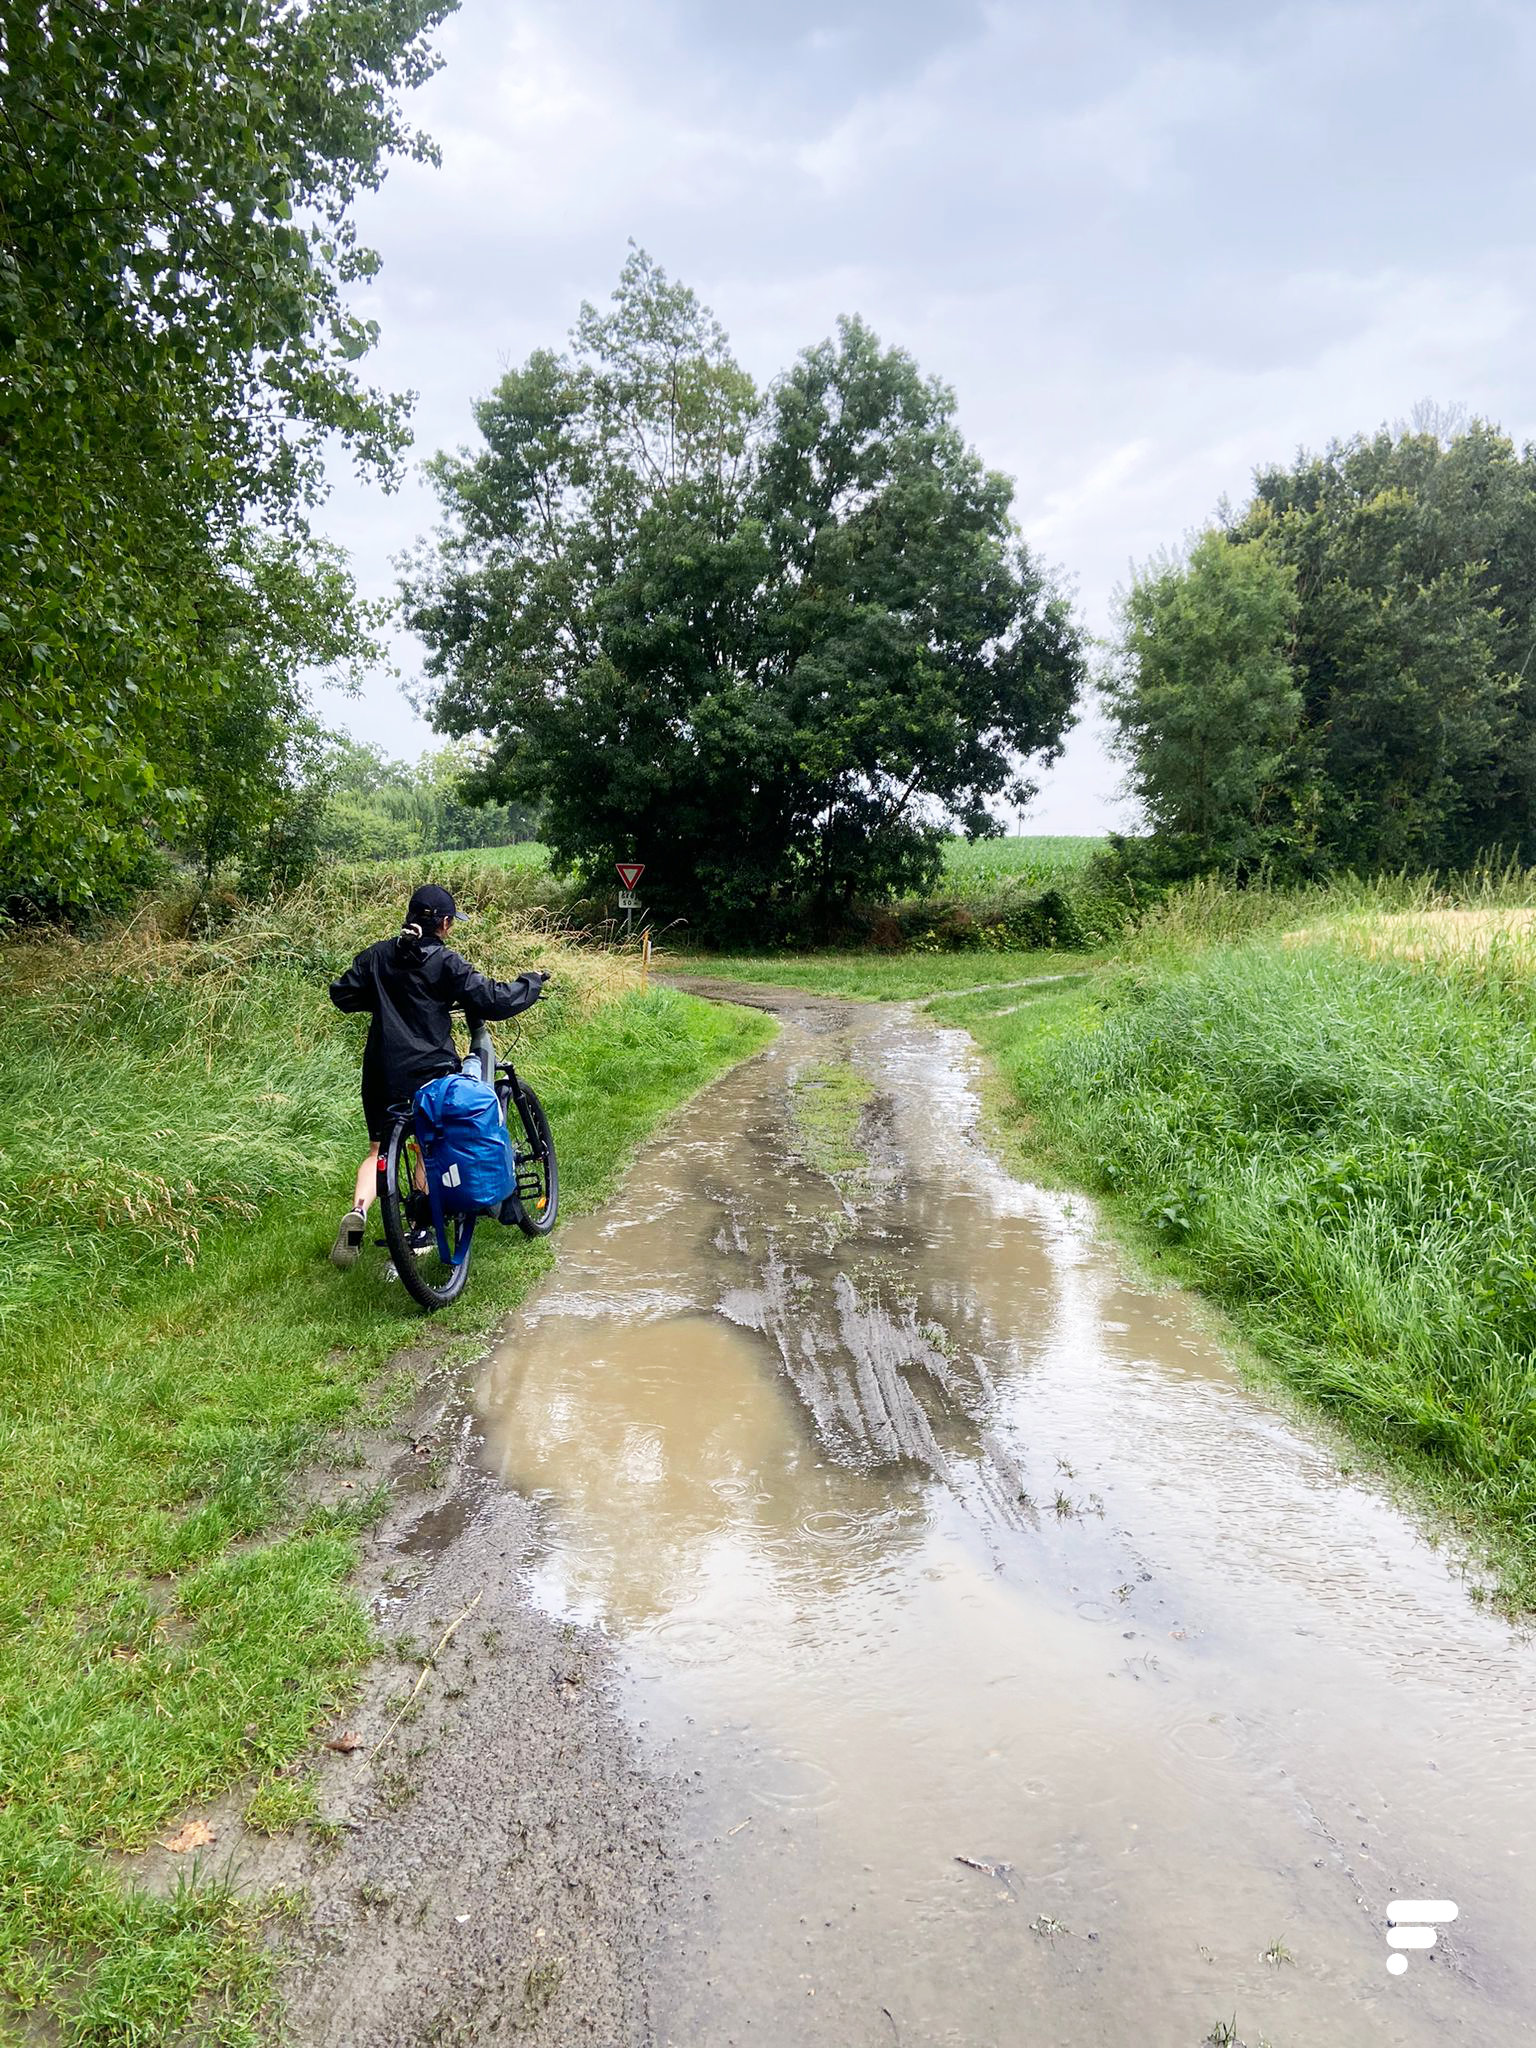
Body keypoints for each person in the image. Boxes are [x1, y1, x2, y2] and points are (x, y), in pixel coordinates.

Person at [327, 883, 547, 1267]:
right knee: (429, 1144)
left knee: (379, 1150)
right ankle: (419, 1230)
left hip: (381, 1072)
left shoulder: (379, 955)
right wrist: (530, 983)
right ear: (444, 923)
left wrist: (383, 996)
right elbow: (492, 999)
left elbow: (342, 994)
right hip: (430, 1071)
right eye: (450, 923)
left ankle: (358, 1215)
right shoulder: (444, 962)